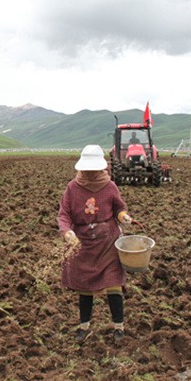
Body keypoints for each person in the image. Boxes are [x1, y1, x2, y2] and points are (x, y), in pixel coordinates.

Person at [58, 144, 133, 343]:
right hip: (83, 244)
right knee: (84, 286)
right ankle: (84, 326)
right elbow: (64, 214)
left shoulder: (110, 186)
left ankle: (119, 327)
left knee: (114, 284)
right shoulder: (72, 188)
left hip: (108, 242)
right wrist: (67, 232)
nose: (90, 173)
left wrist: (123, 216)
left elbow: (119, 208)